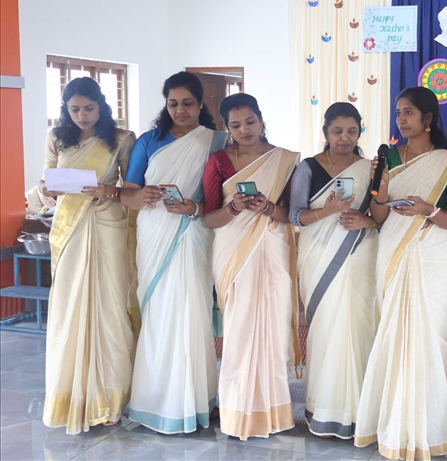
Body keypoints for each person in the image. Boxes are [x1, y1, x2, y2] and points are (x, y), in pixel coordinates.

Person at [354, 87, 447, 459]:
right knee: (393, 335)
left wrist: (428, 210)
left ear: (428, 118)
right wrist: (381, 189)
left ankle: (430, 426)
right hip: (393, 252)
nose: (401, 119)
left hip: (433, 258)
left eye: (408, 112)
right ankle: (394, 424)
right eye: (398, 112)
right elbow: (379, 216)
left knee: (428, 338)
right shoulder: (389, 158)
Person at [121, 71, 226, 434]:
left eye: (187, 103)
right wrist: (141, 195)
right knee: (159, 314)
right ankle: (154, 401)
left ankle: (196, 400)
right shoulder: (149, 141)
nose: (180, 110)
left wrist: (193, 209)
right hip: (155, 233)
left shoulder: (216, 142)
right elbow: (127, 193)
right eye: (173, 103)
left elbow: (221, 200)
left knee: (192, 312)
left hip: (194, 233)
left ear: (201, 104)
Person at [40, 77, 136, 434]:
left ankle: (110, 398)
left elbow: (132, 188)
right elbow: (47, 182)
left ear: (102, 105)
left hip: (106, 224)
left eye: (89, 108)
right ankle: (70, 396)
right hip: (70, 227)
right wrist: (47, 189)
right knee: (69, 306)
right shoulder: (56, 137)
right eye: (75, 109)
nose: (82, 115)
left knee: (110, 305)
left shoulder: (121, 139)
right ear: (66, 109)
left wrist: (107, 190)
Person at [203, 93, 299, 440]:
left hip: (271, 247)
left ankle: (273, 412)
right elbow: (209, 218)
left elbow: (293, 214)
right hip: (233, 251)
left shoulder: (284, 160)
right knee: (240, 328)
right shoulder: (218, 162)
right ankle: (236, 411)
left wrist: (268, 208)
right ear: (226, 128)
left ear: (261, 120)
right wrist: (234, 208)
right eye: (235, 125)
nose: (244, 129)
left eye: (250, 122)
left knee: (273, 328)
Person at [289, 102, 378, 439]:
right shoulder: (308, 168)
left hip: (359, 256)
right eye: (338, 131)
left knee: (358, 327)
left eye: (352, 131)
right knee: (326, 328)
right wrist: (327, 211)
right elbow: (295, 216)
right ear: (325, 132)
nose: (345, 138)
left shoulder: (370, 168)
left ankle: (359, 411)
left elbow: (382, 214)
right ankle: (324, 409)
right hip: (319, 255)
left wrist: (366, 221)